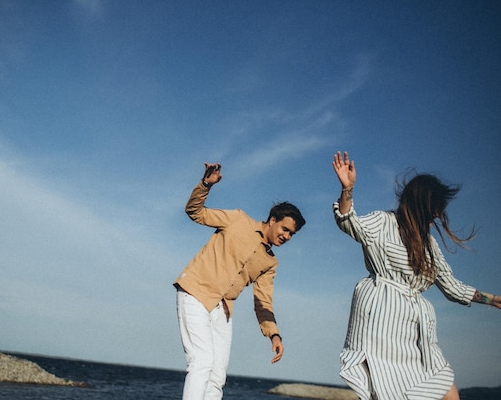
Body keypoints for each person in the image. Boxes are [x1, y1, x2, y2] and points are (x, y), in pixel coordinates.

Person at [332, 151, 500, 400]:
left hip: (416, 331)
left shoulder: (430, 245)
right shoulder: (384, 222)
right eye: (435, 208)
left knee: (448, 392)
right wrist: (347, 190)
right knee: (384, 388)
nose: (438, 215)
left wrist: (494, 299)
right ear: (421, 204)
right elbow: (349, 223)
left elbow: (452, 287)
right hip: (380, 322)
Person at [174, 162, 306, 400]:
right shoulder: (237, 219)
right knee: (201, 361)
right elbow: (195, 212)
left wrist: (274, 335)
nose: (286, 236)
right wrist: (205, 185)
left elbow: (263, 302)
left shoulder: (270, 263)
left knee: (217, 376)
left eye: (291, 234)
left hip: (223, 310)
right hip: (196, 292)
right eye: (285, 229)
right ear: (272, 219)